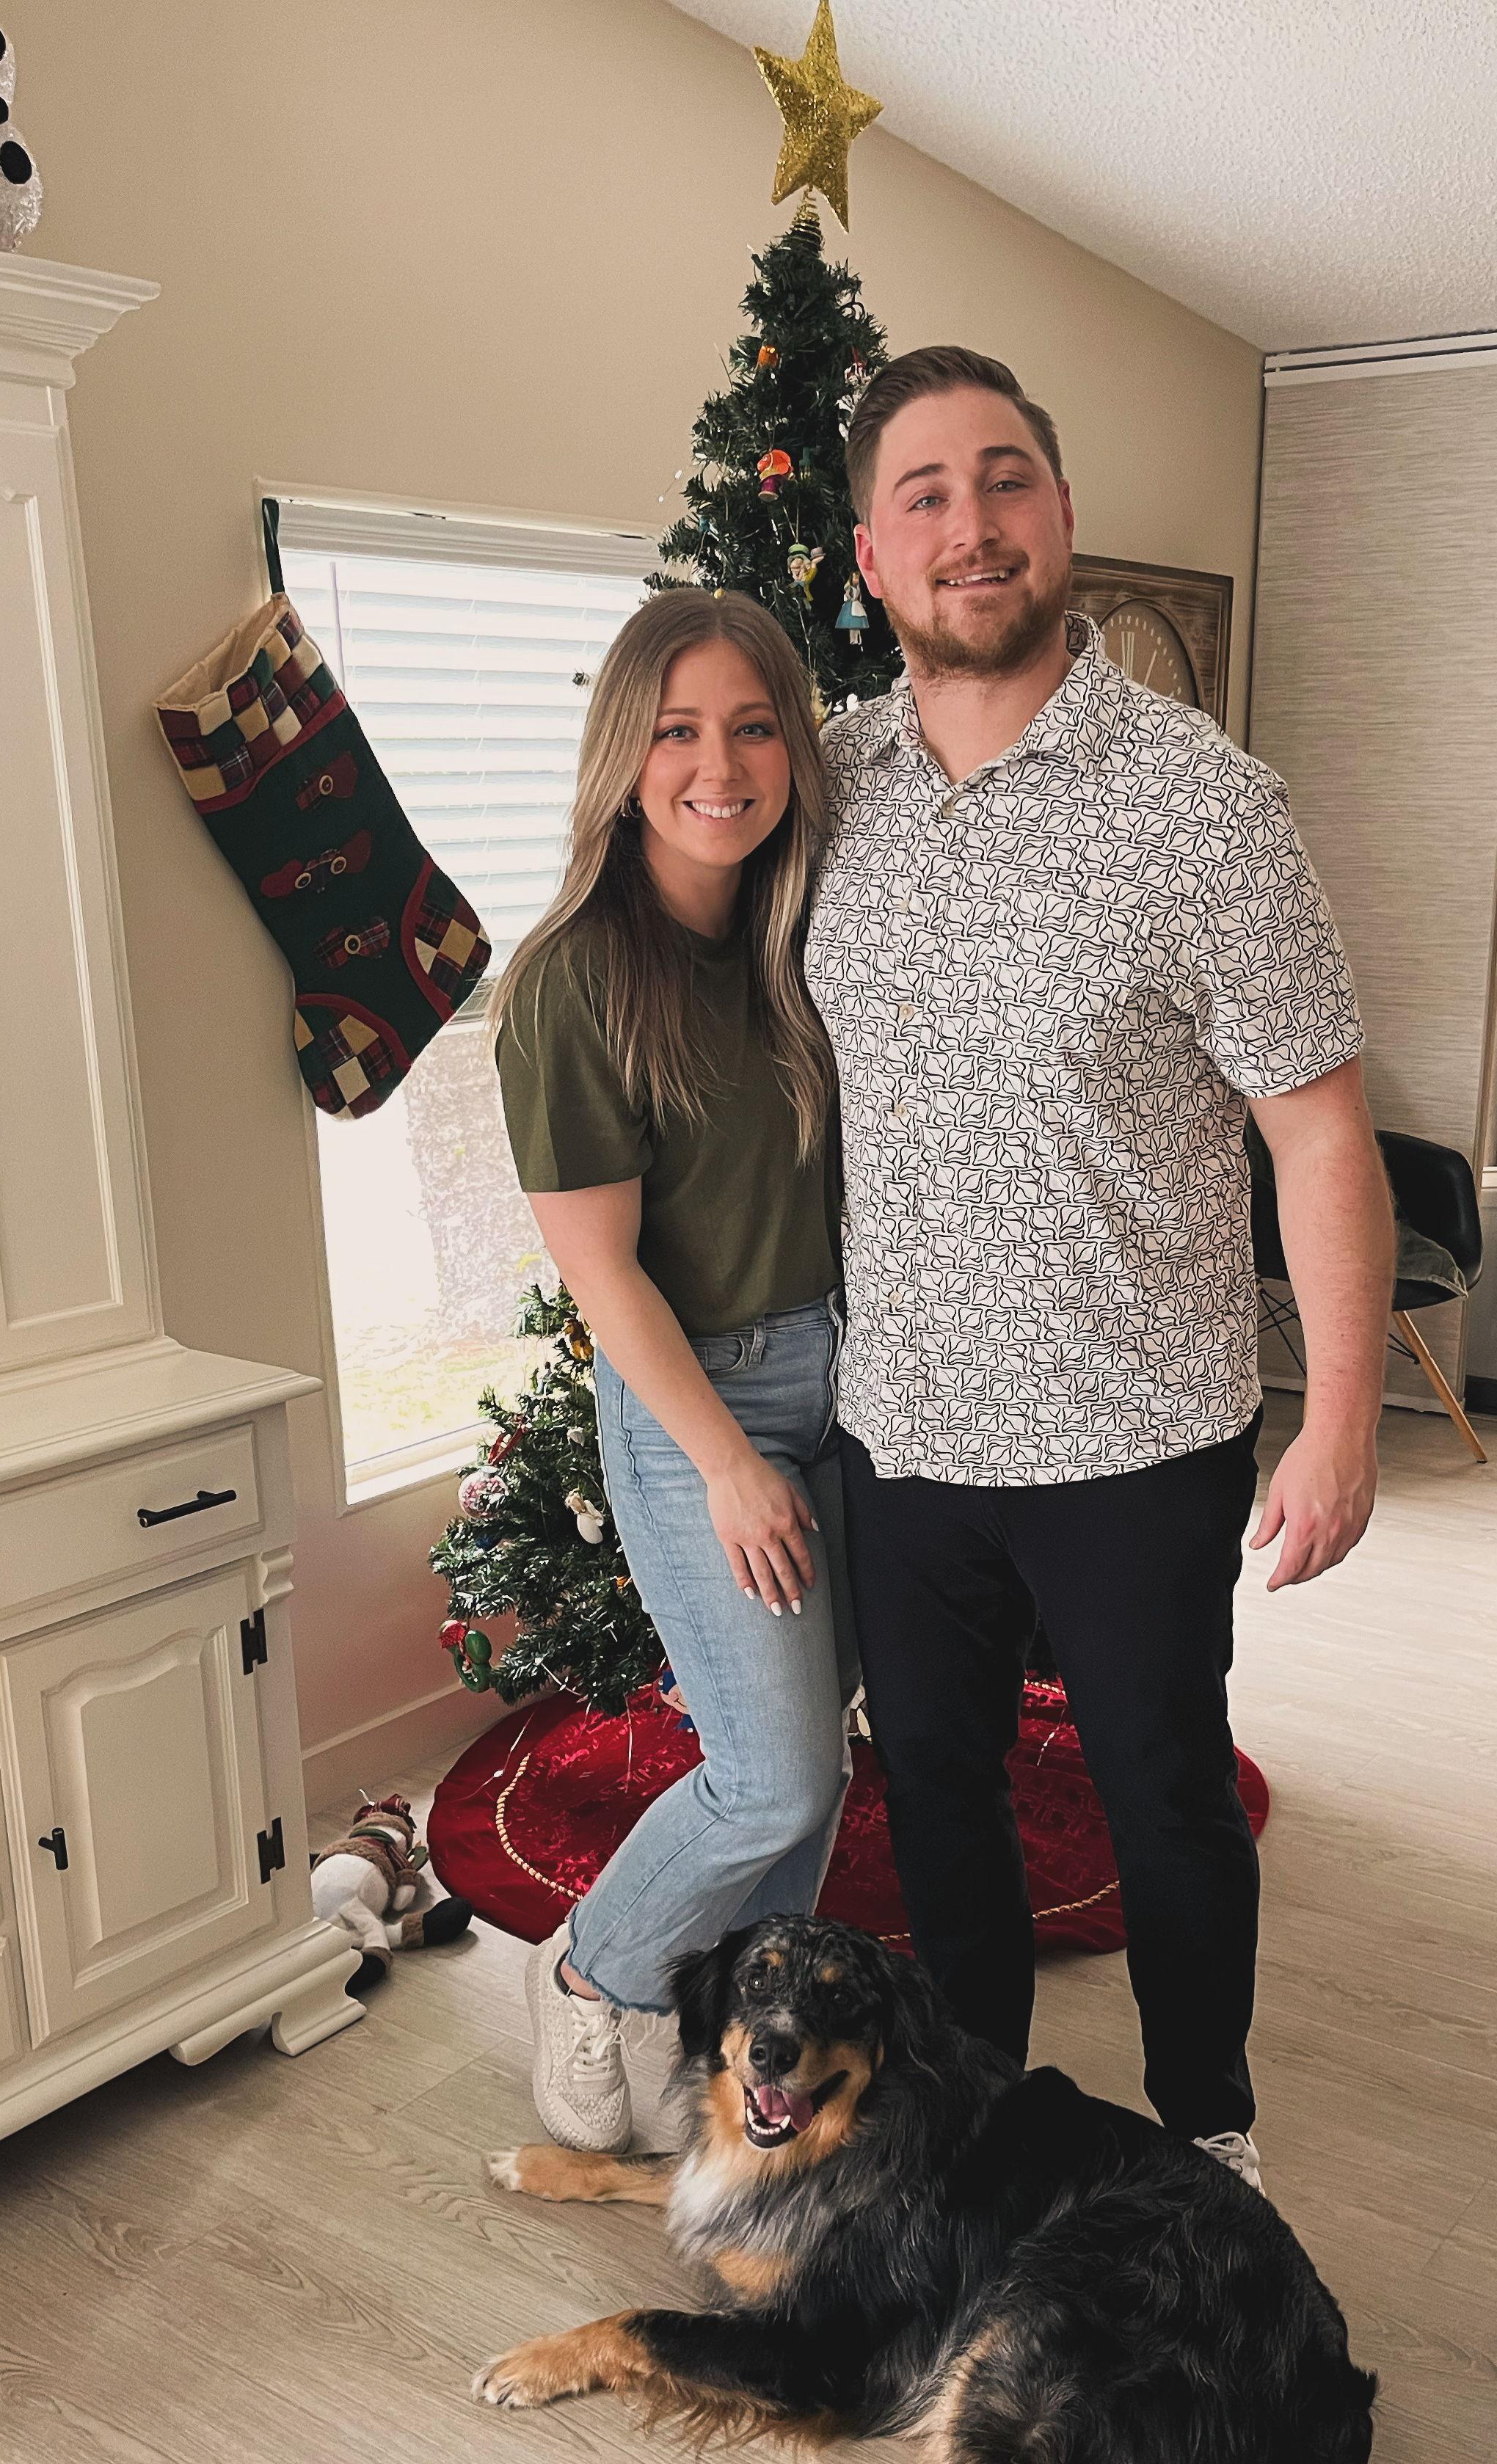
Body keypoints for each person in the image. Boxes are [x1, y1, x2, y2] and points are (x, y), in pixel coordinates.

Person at [807, 346, 1395, 2194]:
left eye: (1005, 481)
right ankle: (976, 2131)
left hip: (1138, 1432)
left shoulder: (1205, 805)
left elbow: (1320, 1134)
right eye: (924, 495)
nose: (970, 524)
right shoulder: (822, 787)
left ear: (1060, 515)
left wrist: (1345, 1418)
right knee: (940, 1793)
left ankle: (1205, 2132)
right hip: (904, 1429)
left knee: (1164, 1798)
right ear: (872, 555)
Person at [491, 588, 856, 2152]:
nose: (721, 766)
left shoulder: (791, 937)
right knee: (770, 1780)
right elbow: (603, 1275)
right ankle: (594, 1971)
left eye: (755, 728)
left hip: (850, 1379)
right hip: (701, 1403)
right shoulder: (575, 980)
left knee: (816, 1771)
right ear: (623, 756)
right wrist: (728, 1464)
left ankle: (741, 2047)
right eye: (679, 731)